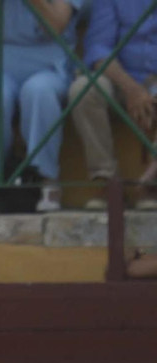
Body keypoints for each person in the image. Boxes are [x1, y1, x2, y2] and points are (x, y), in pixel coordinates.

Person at [0, 0, 81, 212]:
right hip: (1, 55)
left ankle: (47, 179)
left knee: (39, 92)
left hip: (49, 58)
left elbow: (56, 25)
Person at [68, 0, 157, 210]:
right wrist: (132, 89)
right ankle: (108, 181)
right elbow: (98, 48)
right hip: (122, 77)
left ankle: (151, 182)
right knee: (84, 89)